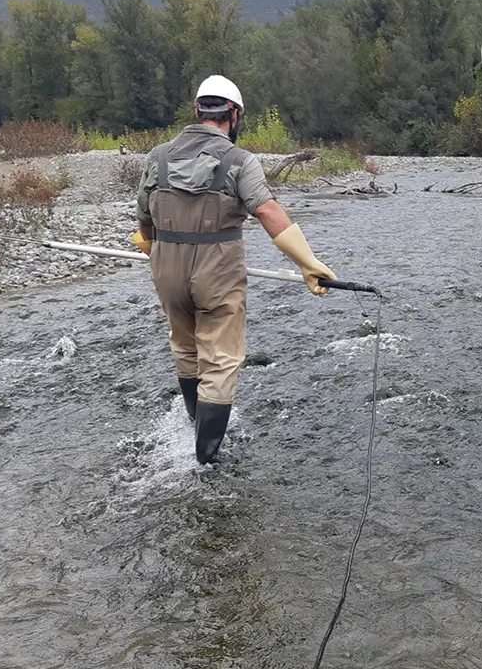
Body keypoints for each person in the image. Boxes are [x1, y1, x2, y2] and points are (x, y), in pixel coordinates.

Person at [132, 75, 338, 464]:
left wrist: (150, 243)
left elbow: (144, 219)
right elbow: (267, 210)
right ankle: (206, 461)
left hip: (166, 270)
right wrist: (309, 264)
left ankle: (193, 424)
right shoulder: (240, 161)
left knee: (186, 346)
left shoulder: (156, 157)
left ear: (198, 110)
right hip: (217, 271)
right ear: (235, 115)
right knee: (221, 358)